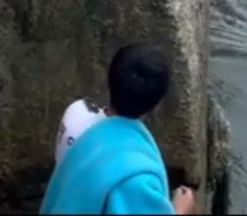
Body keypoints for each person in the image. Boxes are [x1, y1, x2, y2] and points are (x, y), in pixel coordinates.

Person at [41, 43, 195, 215]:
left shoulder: (77, 120)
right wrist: (180, 210)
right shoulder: (137, 179)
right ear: (156, 105)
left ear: (110, 80)